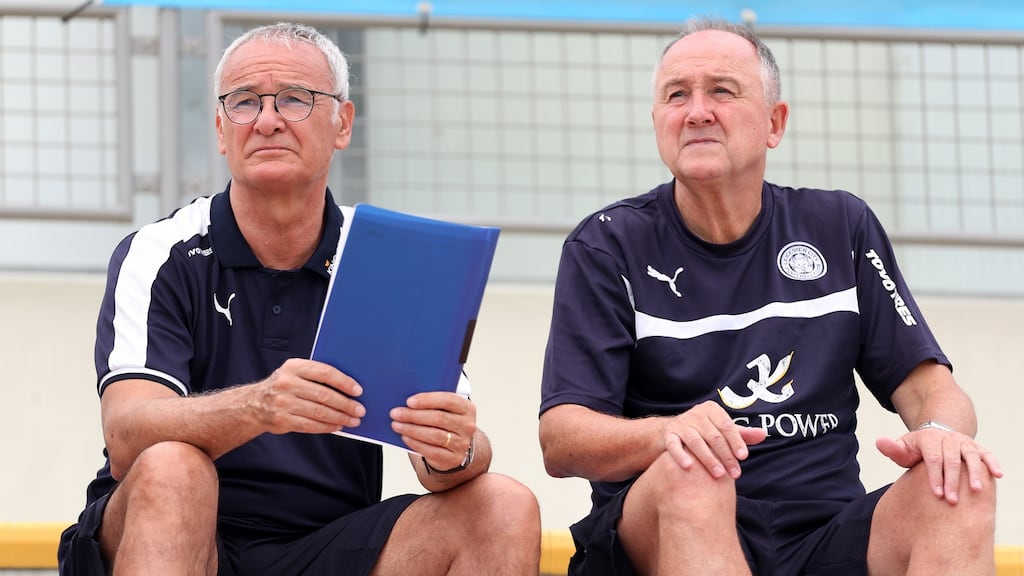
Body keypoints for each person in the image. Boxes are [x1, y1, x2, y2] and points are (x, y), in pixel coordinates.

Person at [58, 21, 540, 576]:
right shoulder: (160, 251)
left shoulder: (388, 260)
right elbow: (126, 436)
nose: (267, 120)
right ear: (220, 129)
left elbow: (444, 465)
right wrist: (259, 406)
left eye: (294, 99)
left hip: (332, 543)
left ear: (343, 123)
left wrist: (456, 448)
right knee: (174, 469)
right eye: (244, 102)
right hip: (172, 529)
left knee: (503, 505)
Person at [539, 15, 1002, 576]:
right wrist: (669, 432)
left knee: (959, 480)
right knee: (694, 467)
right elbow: (562, 438)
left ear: (774, 123)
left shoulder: (840, 225)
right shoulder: (607, 243)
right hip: (664, 528)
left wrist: (941, 436)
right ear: (658, 120)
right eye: (675, 95)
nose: (697, 111)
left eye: (722, 91)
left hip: (823, 530)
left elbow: (933, 390)